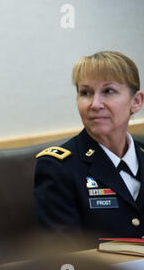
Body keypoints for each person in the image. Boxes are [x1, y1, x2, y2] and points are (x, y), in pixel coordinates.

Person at [34, 51, 144, 247]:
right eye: (85, 93)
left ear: (136, 102)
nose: (95, 104)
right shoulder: (59, 167)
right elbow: (64, 256)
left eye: (108, 91)